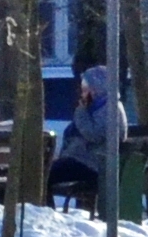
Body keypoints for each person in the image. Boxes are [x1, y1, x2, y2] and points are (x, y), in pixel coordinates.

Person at [48, 65, 112, 211]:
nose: (83, 91)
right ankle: (45, 210)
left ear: (98, 86)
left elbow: (93, 135)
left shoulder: (109, 109)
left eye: (86, 86)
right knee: (40, 172)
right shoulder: (95, 107)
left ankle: (46, 213)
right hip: (81, 161)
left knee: (43, 175)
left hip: (92, 165)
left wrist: (81, 113)